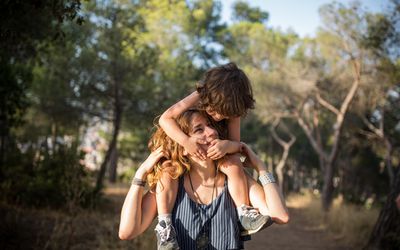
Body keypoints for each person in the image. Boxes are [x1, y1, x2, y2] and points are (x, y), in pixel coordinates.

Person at [119, 109, 289, 250]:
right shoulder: (170, 184)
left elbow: (280, 215)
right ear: (182, 145)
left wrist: (261, 167)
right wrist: (140, 175)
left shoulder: (235, 179)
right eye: (199, 130)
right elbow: (127, 232)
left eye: (210, 126)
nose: (212, 132)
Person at [155, 63, 265, 247]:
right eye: (214, 110)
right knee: (168, 172)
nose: (218, 117)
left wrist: (227, 145)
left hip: (217, 152)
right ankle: (165, 227)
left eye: (225, 114)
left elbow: (236, 146)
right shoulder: (200, 94)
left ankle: (244, 213)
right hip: (184, 147)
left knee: (234, 163)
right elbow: (165, 119)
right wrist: (186, 141)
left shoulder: (232, 110)